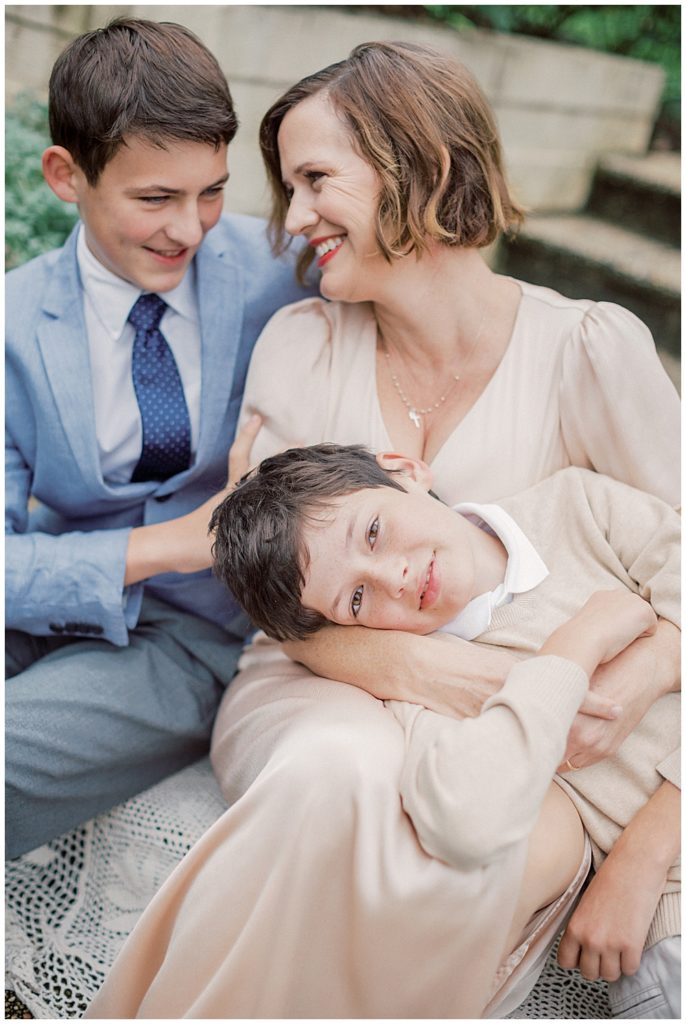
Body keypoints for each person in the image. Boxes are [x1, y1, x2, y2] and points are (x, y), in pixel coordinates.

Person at [85, 42, 680, 1018]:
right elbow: (262, 581)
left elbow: (666, 578)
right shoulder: (301, 343)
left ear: (419, 162)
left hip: (520, 733)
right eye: (287, 189)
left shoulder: (587, 349)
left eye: (316, 179)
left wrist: (653, 832)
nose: (293, 219)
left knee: (468, 863)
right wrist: (406, 668)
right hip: (317, 679)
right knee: (336, 774)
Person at [210, 441, 681, 1016]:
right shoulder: (425, 686)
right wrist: (573, 651)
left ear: (405, 472)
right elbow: (466, 816)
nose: (395, 577)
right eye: (357, 598)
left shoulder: (578, 505)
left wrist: (651, 839)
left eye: (374, 533)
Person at [5, 17, 315, 860]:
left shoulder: (279, 267)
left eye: (211, 190)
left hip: (195, 635)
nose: (191, 227)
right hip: (50, 593)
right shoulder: (14, 322)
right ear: (66, 175)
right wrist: (167, 544)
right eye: (155, 198)